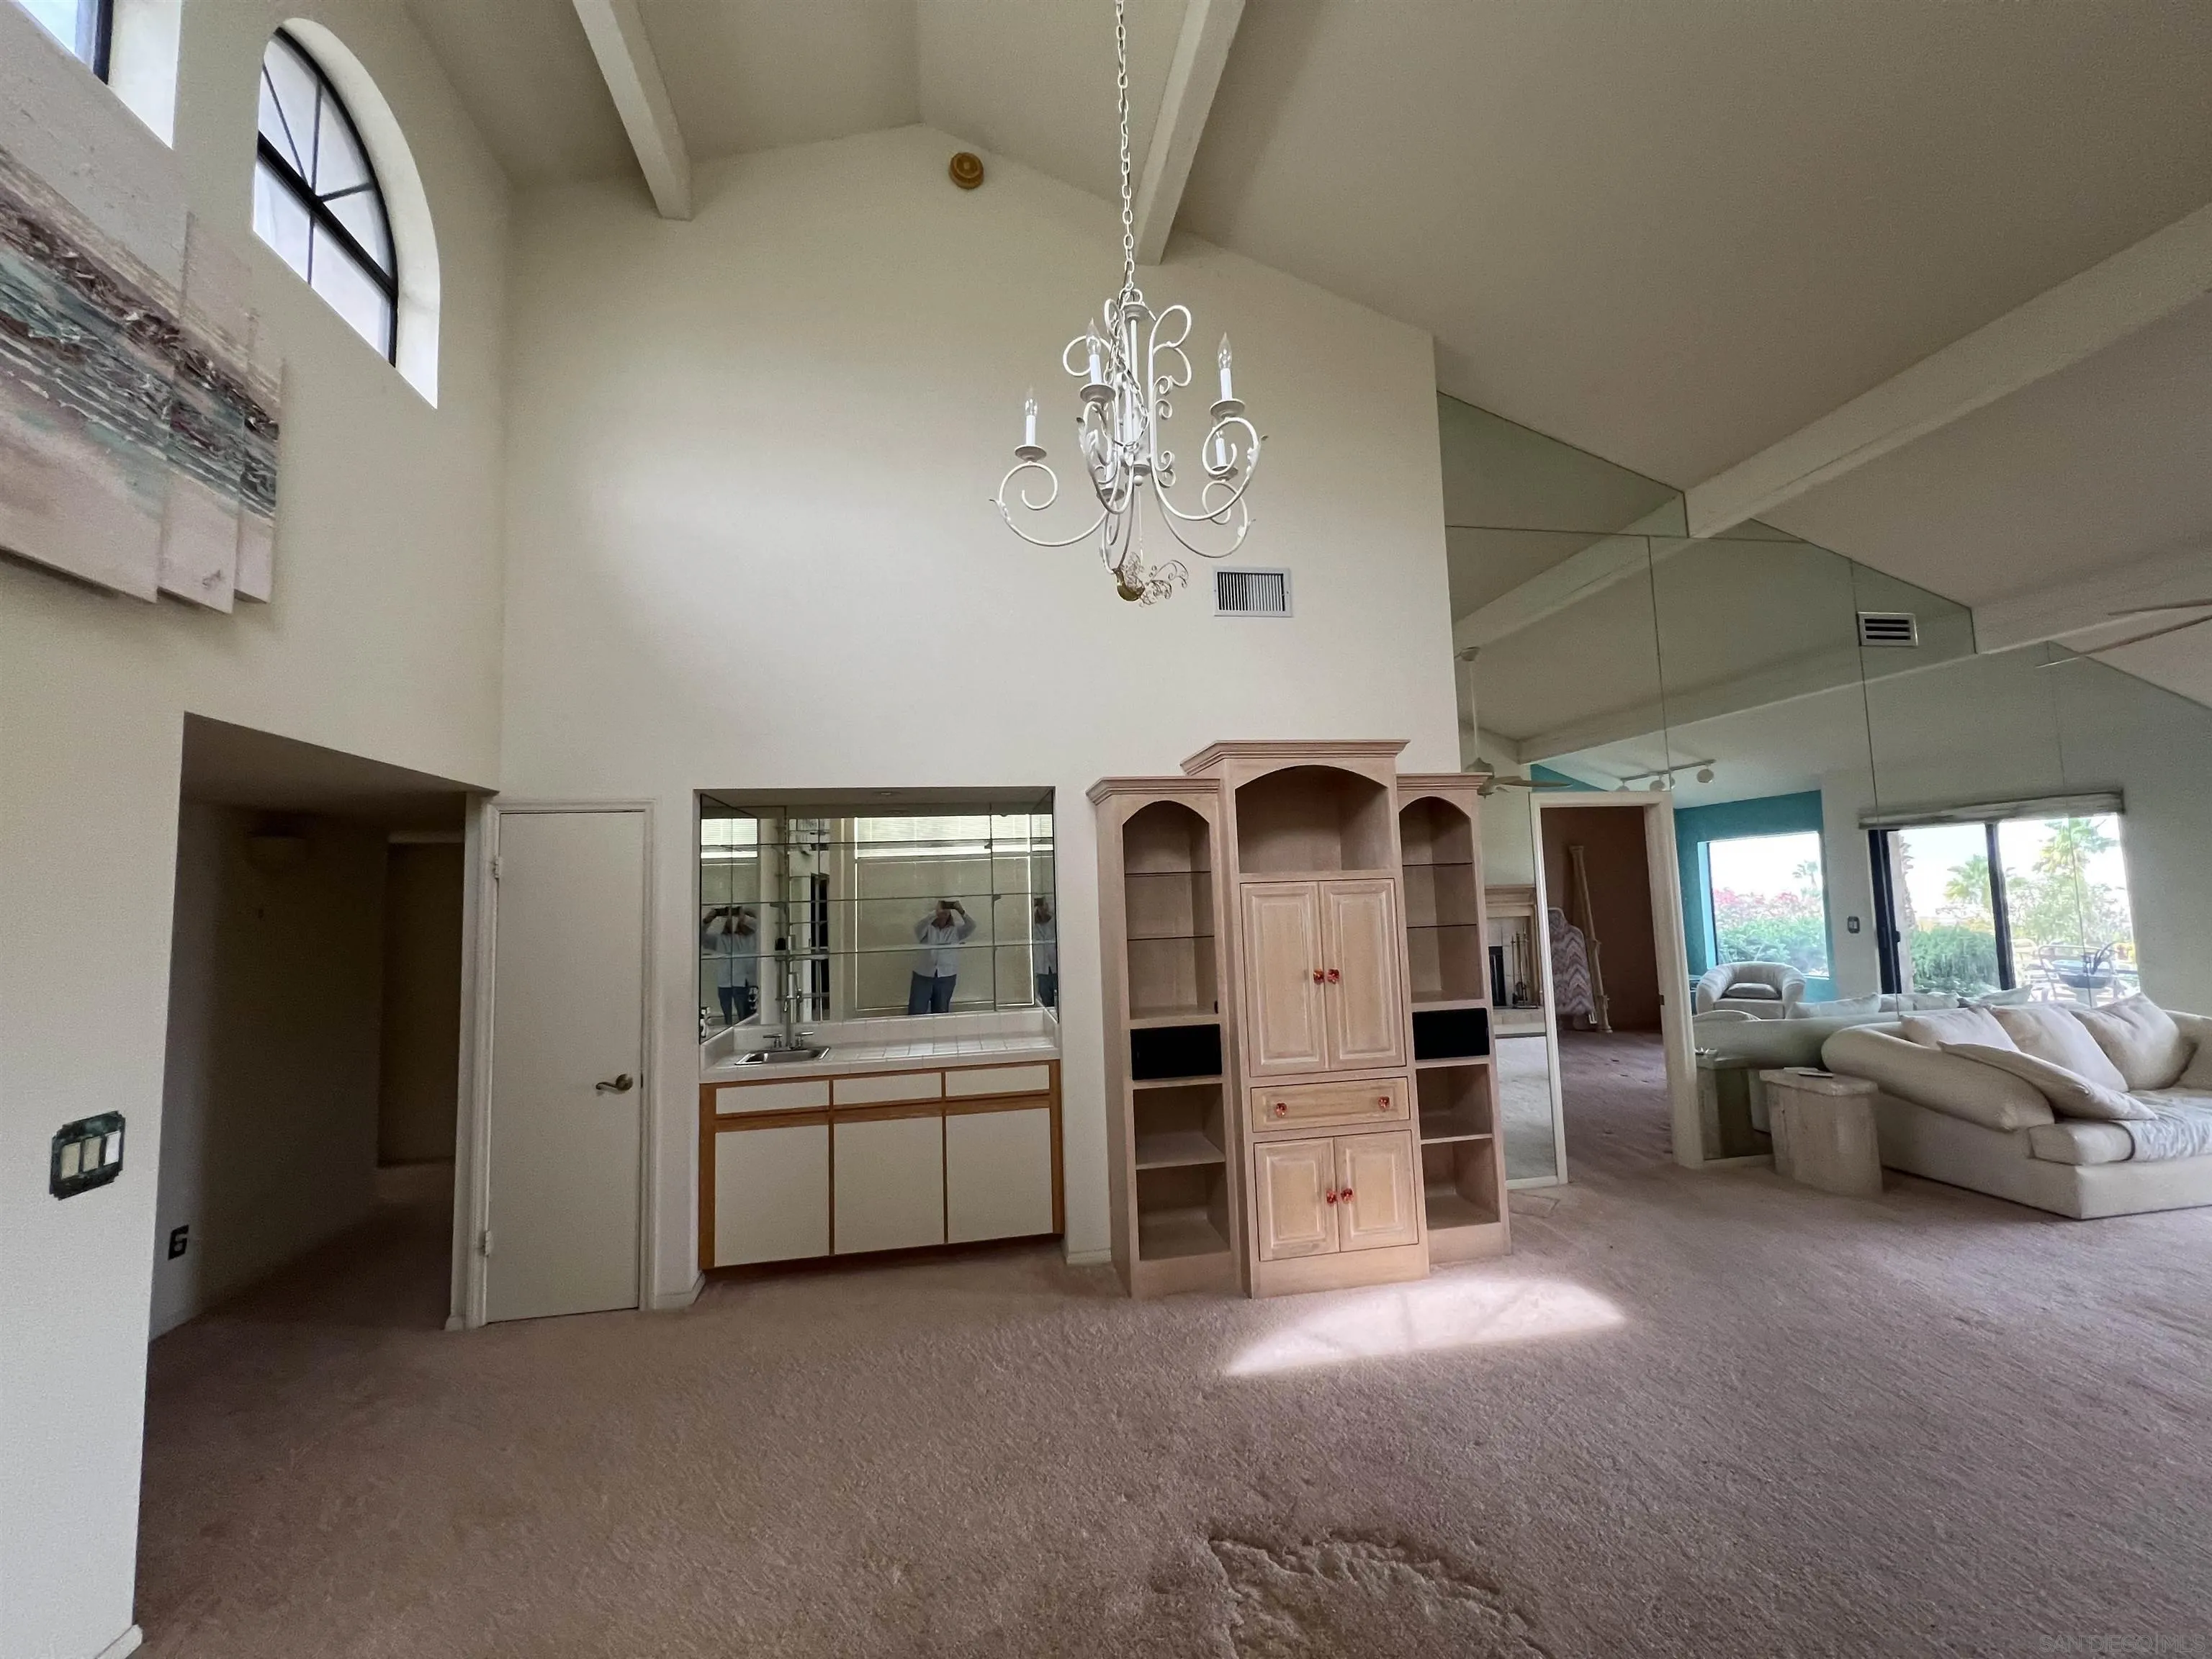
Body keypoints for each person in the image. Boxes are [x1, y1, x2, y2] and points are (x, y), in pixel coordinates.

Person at [908, 898, 976, 1015]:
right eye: (942, 909)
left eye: (947, 910)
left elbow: (972, 926)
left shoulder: (956, 930)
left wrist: (961, 910)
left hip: (946, 976)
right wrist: (935, 913)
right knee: (917, 1010)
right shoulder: (927, 929)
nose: (944, 912)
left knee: (941, 1012)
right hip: (923, 975)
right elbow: (918, 928)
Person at [701, 904, 760, 1026]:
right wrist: (707, 920)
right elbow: (700, 937)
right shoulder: (721, 940)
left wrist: (741, 914)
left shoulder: (752, 939)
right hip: (724, 984)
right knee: (727, 1022)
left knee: (745, 1019)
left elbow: (755, 925)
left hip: (743, 985)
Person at [1031, 895, 1058, 1009]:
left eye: (1043, 907)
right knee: (1046, 1001)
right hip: (1042, 970)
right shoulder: (1033, 926)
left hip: (1055, 968)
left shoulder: (1054, 922)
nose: (1042, 910)